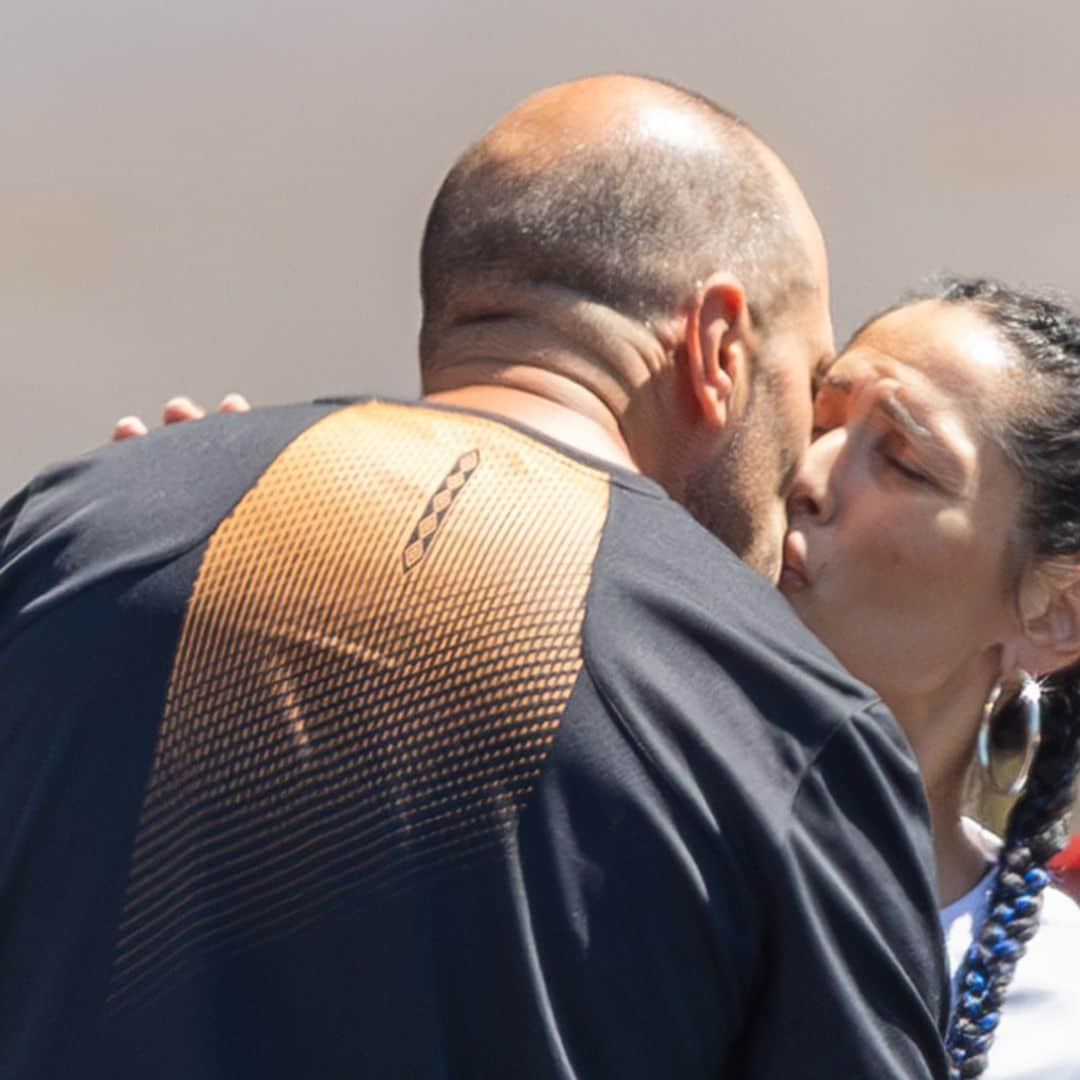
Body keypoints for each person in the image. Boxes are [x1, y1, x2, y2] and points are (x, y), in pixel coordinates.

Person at [0, 75, 951, 1078]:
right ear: (717, 346)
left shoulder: (69, 536)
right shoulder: (775, 715)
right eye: (805, 384)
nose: (805, 460)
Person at [784, 278, 1080, 1079]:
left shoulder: (1060, 1015)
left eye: (905, 462)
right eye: (815, 418)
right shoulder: (594, 849)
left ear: (1058, 611)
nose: (806, 477)